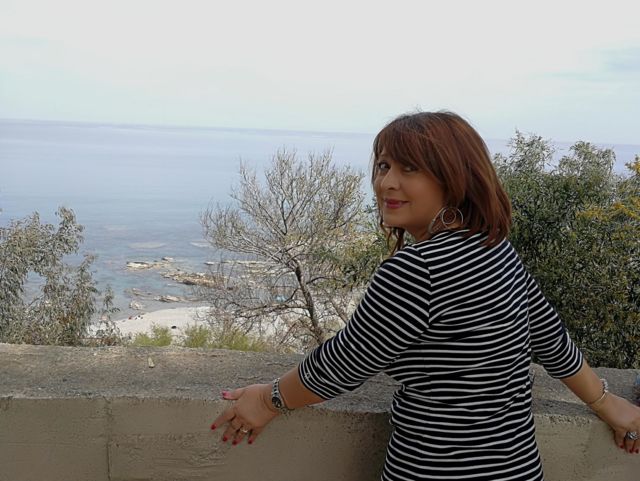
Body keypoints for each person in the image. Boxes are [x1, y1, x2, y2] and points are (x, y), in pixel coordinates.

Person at [210, 111, 640, 480]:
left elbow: (345, 362)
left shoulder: (418, 269)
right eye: (383, 166)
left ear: (454, 178)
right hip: (516, 467)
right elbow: (549, 336)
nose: (387, 182)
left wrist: (268, 400)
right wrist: (605, 403)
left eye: (410, 169)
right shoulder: (494, 248)